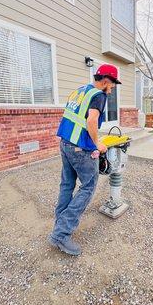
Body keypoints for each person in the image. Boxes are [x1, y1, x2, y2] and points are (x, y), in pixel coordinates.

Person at [48, 64, 121, 255]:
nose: (112, 88)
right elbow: (90, 120)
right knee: (88, 187)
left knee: (67, 184)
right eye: (112, 84)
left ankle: (60, 222)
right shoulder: (99, 95)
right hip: (81, 148)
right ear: (105, 80)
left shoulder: (81, 91)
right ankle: (61, 234)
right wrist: (97, 144)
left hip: (65, 143)